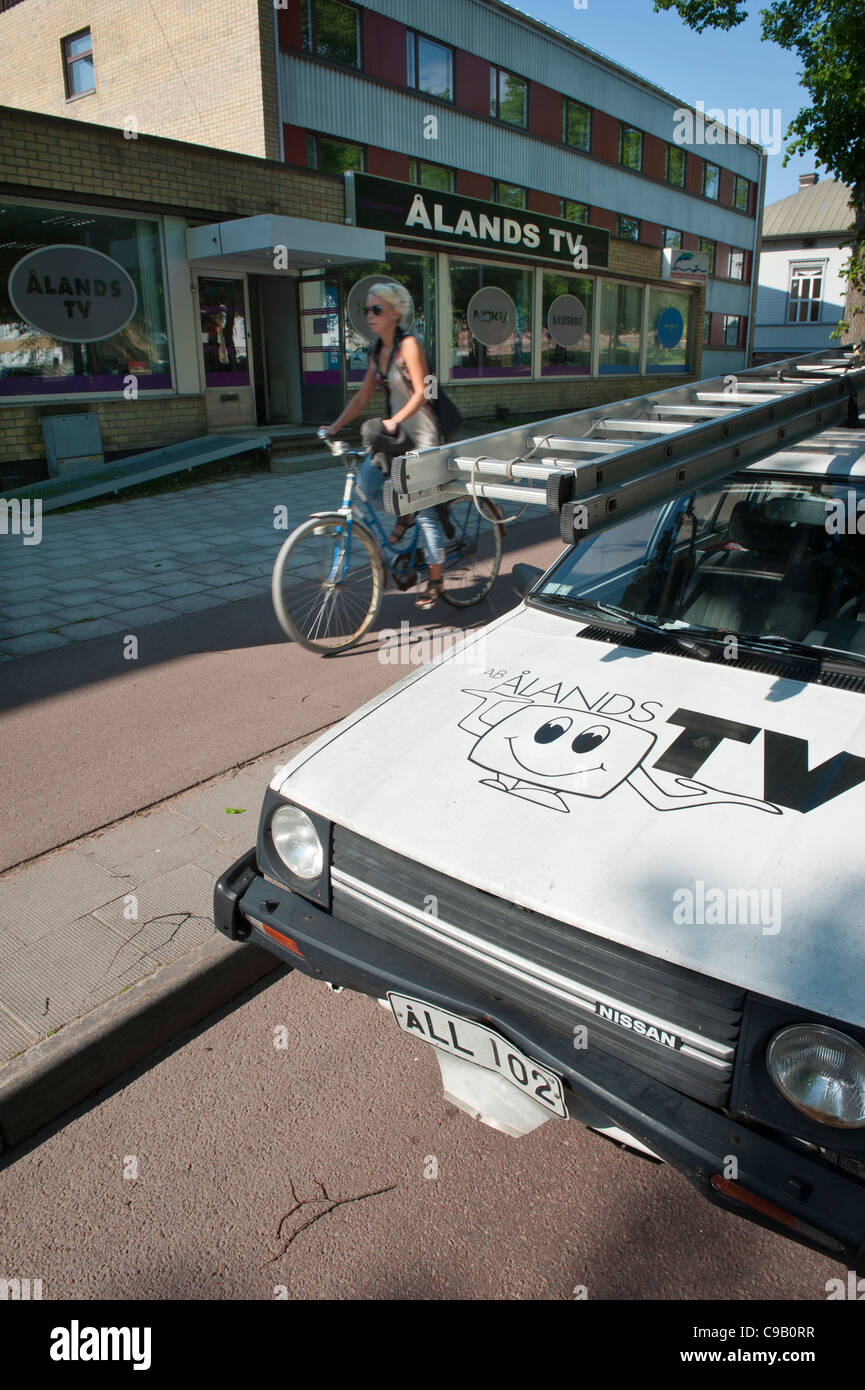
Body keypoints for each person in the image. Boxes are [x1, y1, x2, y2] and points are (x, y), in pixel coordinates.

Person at [324, 282, 447, 609]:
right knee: (368, 484)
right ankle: (403, 515)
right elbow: (363, 397)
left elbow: (421, 392)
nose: (370, 315)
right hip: (395, 438)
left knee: (426, 514)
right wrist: (333, 428)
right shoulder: (377, 352)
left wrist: (394, 420)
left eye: (376, 309)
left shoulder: (410, 345)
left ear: (395, 312)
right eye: (367, 310)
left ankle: (435, 579)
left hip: (421, 435)